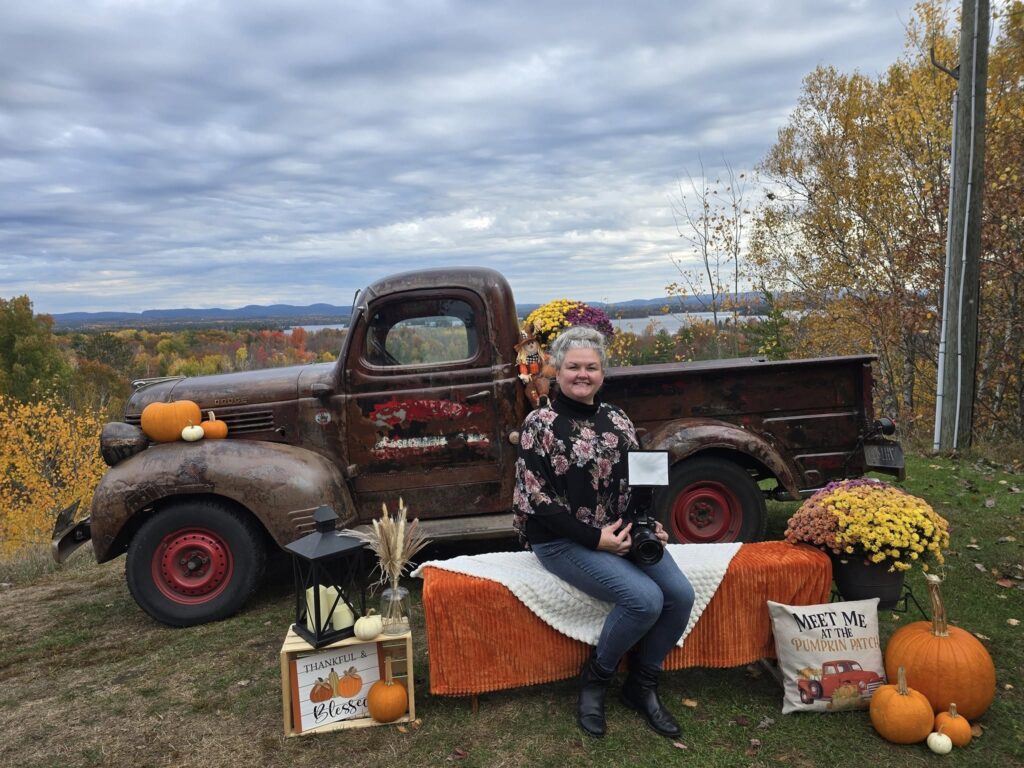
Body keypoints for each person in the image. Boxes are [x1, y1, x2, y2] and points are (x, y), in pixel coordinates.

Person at [512, 325, 696, 739]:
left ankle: (642, 686)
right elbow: (538, 501)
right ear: (556, 371)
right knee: (645, 600)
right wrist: (597, 540)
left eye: (591, 367)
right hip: (559, 539)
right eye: (573, 366)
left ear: (602, 373)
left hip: (620, 531)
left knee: (680, 596)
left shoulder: (617, 418)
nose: (582, 374)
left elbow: (639, 482)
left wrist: (649, 527)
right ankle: (596, 679)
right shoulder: (539, 424)